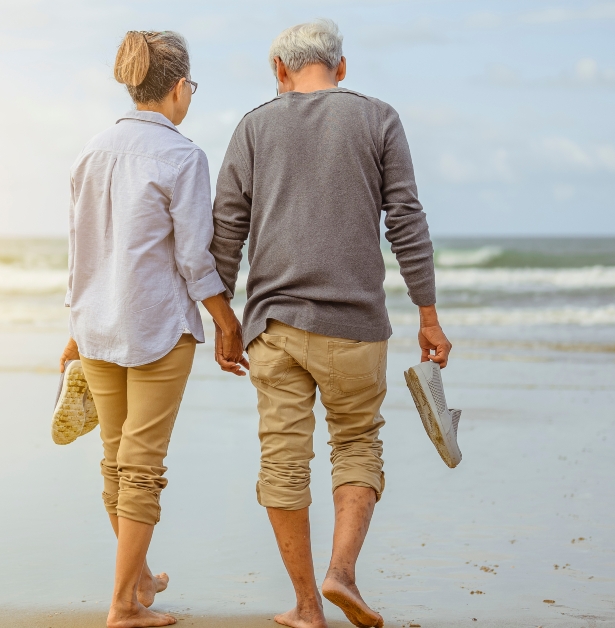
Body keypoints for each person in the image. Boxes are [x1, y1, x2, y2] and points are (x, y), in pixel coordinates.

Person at [210, 19, 452, 628]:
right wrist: (427, 313)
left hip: (275, 326)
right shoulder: (378, 118)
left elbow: (225, 235)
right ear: (341, 69)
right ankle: (341, 572)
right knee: (357, 443)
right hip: (356, 328)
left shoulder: (254, 126)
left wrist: (222, 319)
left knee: (283, 462)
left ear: (280, 72)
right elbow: (406, 221)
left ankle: (306, 607)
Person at [59, 30, 247, 628]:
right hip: (157, 328)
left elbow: (79, 251)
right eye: (191, 85)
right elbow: (195, 258)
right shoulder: (183, 156)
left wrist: (73, 326)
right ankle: (121, 607)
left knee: (116, 462)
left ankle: (136, 581)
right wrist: (224, 320)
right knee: (141, 466)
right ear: (178, 87)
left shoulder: (90, 151)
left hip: (96, 327)